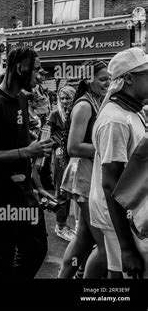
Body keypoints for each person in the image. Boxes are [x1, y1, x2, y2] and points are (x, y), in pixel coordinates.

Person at [0, 46, 52, 279]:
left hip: (22, 193)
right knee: (0, 262)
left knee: (36, 248)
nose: (40, 74)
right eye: (36, 69)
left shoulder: (22, 100)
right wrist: (26, 151)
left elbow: (21, 145)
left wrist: (36, 186)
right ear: (19, 68)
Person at [90, 48, 148, 278]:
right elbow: (111, 183)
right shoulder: (115, 120)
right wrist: (127, 248)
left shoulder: (131, 112)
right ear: (130, 78)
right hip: (123, 219)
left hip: (134, 212)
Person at [58, 60, 111, 278]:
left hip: (89, 173)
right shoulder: (84, 105)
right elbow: (73, 146)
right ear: (88, 79)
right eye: (102, 79)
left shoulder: (96, 101)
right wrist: (107, 148)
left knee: (83, 240)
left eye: (109, 78)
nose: (107, 82)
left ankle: (64, 276)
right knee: (105, 248)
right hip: (83, 175)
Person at [48, 86, 77, 242]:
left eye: (68, 98)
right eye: (62, 98)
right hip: (61, 158)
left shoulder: (77, 112)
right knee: (62, 191)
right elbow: (46, 132)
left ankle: (74, 226)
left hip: (76, 155)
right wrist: (56, 146)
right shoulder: (55, 114)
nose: (65, 101)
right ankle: (60, 226)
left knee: (76, 189)